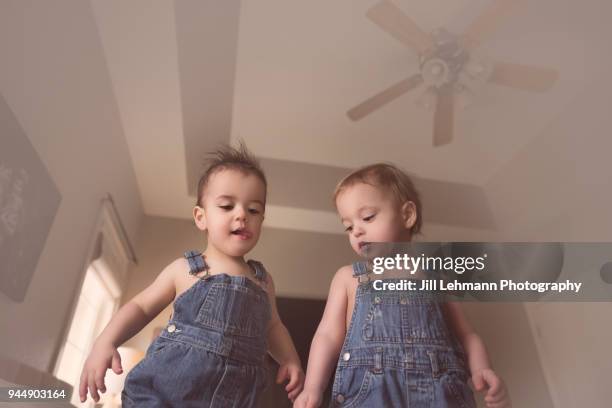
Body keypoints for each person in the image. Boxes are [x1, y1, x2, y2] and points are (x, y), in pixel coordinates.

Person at [79, 143, 304, 407]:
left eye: (253, 210)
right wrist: (106, 341)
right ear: (201, 217)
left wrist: (290, 359)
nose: (242, 215)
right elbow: (140, 307)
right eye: (227, 206)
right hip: (165, 394)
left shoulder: (263, 281)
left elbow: (273, 327)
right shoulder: (186, 269)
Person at [294, 163, 510, 408]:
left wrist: (482, 369)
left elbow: (467, 335)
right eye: (349, 226)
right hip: (370, 395)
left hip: (439, 395)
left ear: (407, 215)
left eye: (367, 217)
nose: (357, 231)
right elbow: (327, 335)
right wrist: (313, 387)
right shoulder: (348, 278)